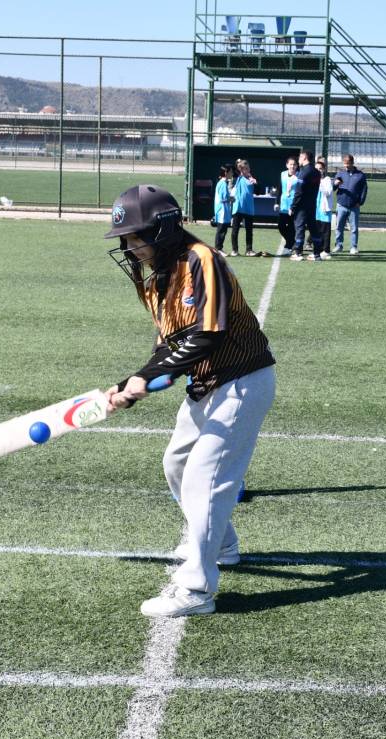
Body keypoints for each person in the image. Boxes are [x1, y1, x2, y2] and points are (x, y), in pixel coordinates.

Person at [103, 185, 277, 617]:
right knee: (177, 465)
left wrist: (145, 378)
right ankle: (224, 544)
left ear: (161, 231)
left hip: (241, 381)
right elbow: (170, 346)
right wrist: (129, 384)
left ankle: (196, 591)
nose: (129, 249)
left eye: (135, 238)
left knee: (205, 479)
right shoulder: (157, 280)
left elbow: (207, 334)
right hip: (206, 384)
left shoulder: (202, 260)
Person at [290, 149, 322, 262]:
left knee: (300, 228)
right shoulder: (317, 172)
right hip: (312, 204)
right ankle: (317, 254)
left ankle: (297, 252)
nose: (298, 160)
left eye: (300, 157)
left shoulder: (304, 172)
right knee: (313, 228)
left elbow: (299, 192)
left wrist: (293, 206)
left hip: (302, 206)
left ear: (304, 158)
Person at [333, 153, 368, 256]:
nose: (346, 166)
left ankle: (353, 247)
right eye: (344, 164)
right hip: (341, 205)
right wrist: (335, 184)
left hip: (354, 207)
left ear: (352, 162)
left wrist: (360, 202)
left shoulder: (360, 175)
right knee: (339, 227)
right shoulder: (340, 174)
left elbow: (364, 190)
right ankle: (338, 245)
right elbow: (333, 188)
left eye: (348, 163)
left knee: (354, 228)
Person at [230, 159, 258, 256]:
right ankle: (234, 250)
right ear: (241, 170)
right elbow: (234, 171)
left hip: (249, 208)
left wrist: (255, 183)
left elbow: (258, 192)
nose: (247, 170)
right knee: (235, 230)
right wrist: (239, 164)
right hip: (238, 208)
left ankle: (249, 250)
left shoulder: (252, 179)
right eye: (245, 168)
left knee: (249, 230)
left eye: (248, 168)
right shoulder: (237, 178)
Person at [277, 157, 299, 255]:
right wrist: (277, 202)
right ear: (287, 165)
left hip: (293, 205)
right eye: (290, 164)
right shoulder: (283, 174)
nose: (292, 166)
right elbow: (279, 189)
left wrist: (295, 205)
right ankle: (291, 242)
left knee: (291, 227)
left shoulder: (299, 176)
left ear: (297, 166)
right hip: (283, 205)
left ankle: (288, 246)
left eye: (294, 164)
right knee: (281, 226)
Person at [314, 156, 334, 260]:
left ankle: (326, 251)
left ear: (324, 170)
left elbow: (328, 192)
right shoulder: (313, 180)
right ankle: (318, 249)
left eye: (320, 169)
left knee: (325, 230)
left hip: (324, 209)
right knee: (317, 230)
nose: (318, 170)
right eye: (316, 169)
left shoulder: (327, 180)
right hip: (316, 209)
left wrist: (320, 184)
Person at [212, 164, 234, 252]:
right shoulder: (222, 183)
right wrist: (231, 199)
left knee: (223, 230)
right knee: (221, 230)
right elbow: (223, 199)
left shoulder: (223, 183)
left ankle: (219, 248)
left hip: (223, 211)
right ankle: (218, 249)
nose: (232, 173)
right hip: (222, 211)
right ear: (226, 172)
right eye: (231, 172)